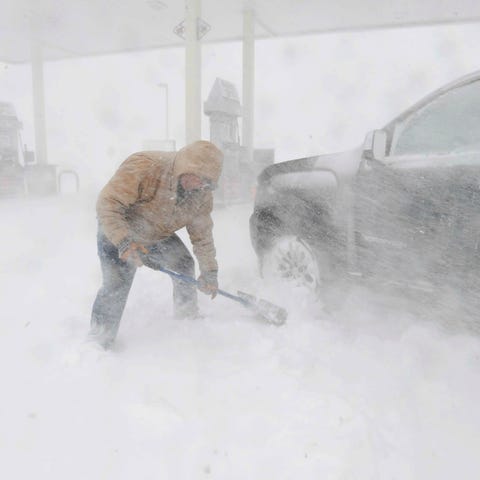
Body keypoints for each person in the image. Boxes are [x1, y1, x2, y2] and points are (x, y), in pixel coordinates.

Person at [89, 140, 223, 348]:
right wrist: (124, 242)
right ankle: (100, 340)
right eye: (195, 176)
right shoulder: (145, 166)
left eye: (205, 181)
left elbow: (202, 236)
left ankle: (186, 318)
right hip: (117, 228)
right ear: (184, 166)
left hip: (155, 232)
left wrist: (210, 272)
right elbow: (108, 204)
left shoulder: (201, 196)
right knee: (117, 282)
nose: (198, 185)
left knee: (183, 264)